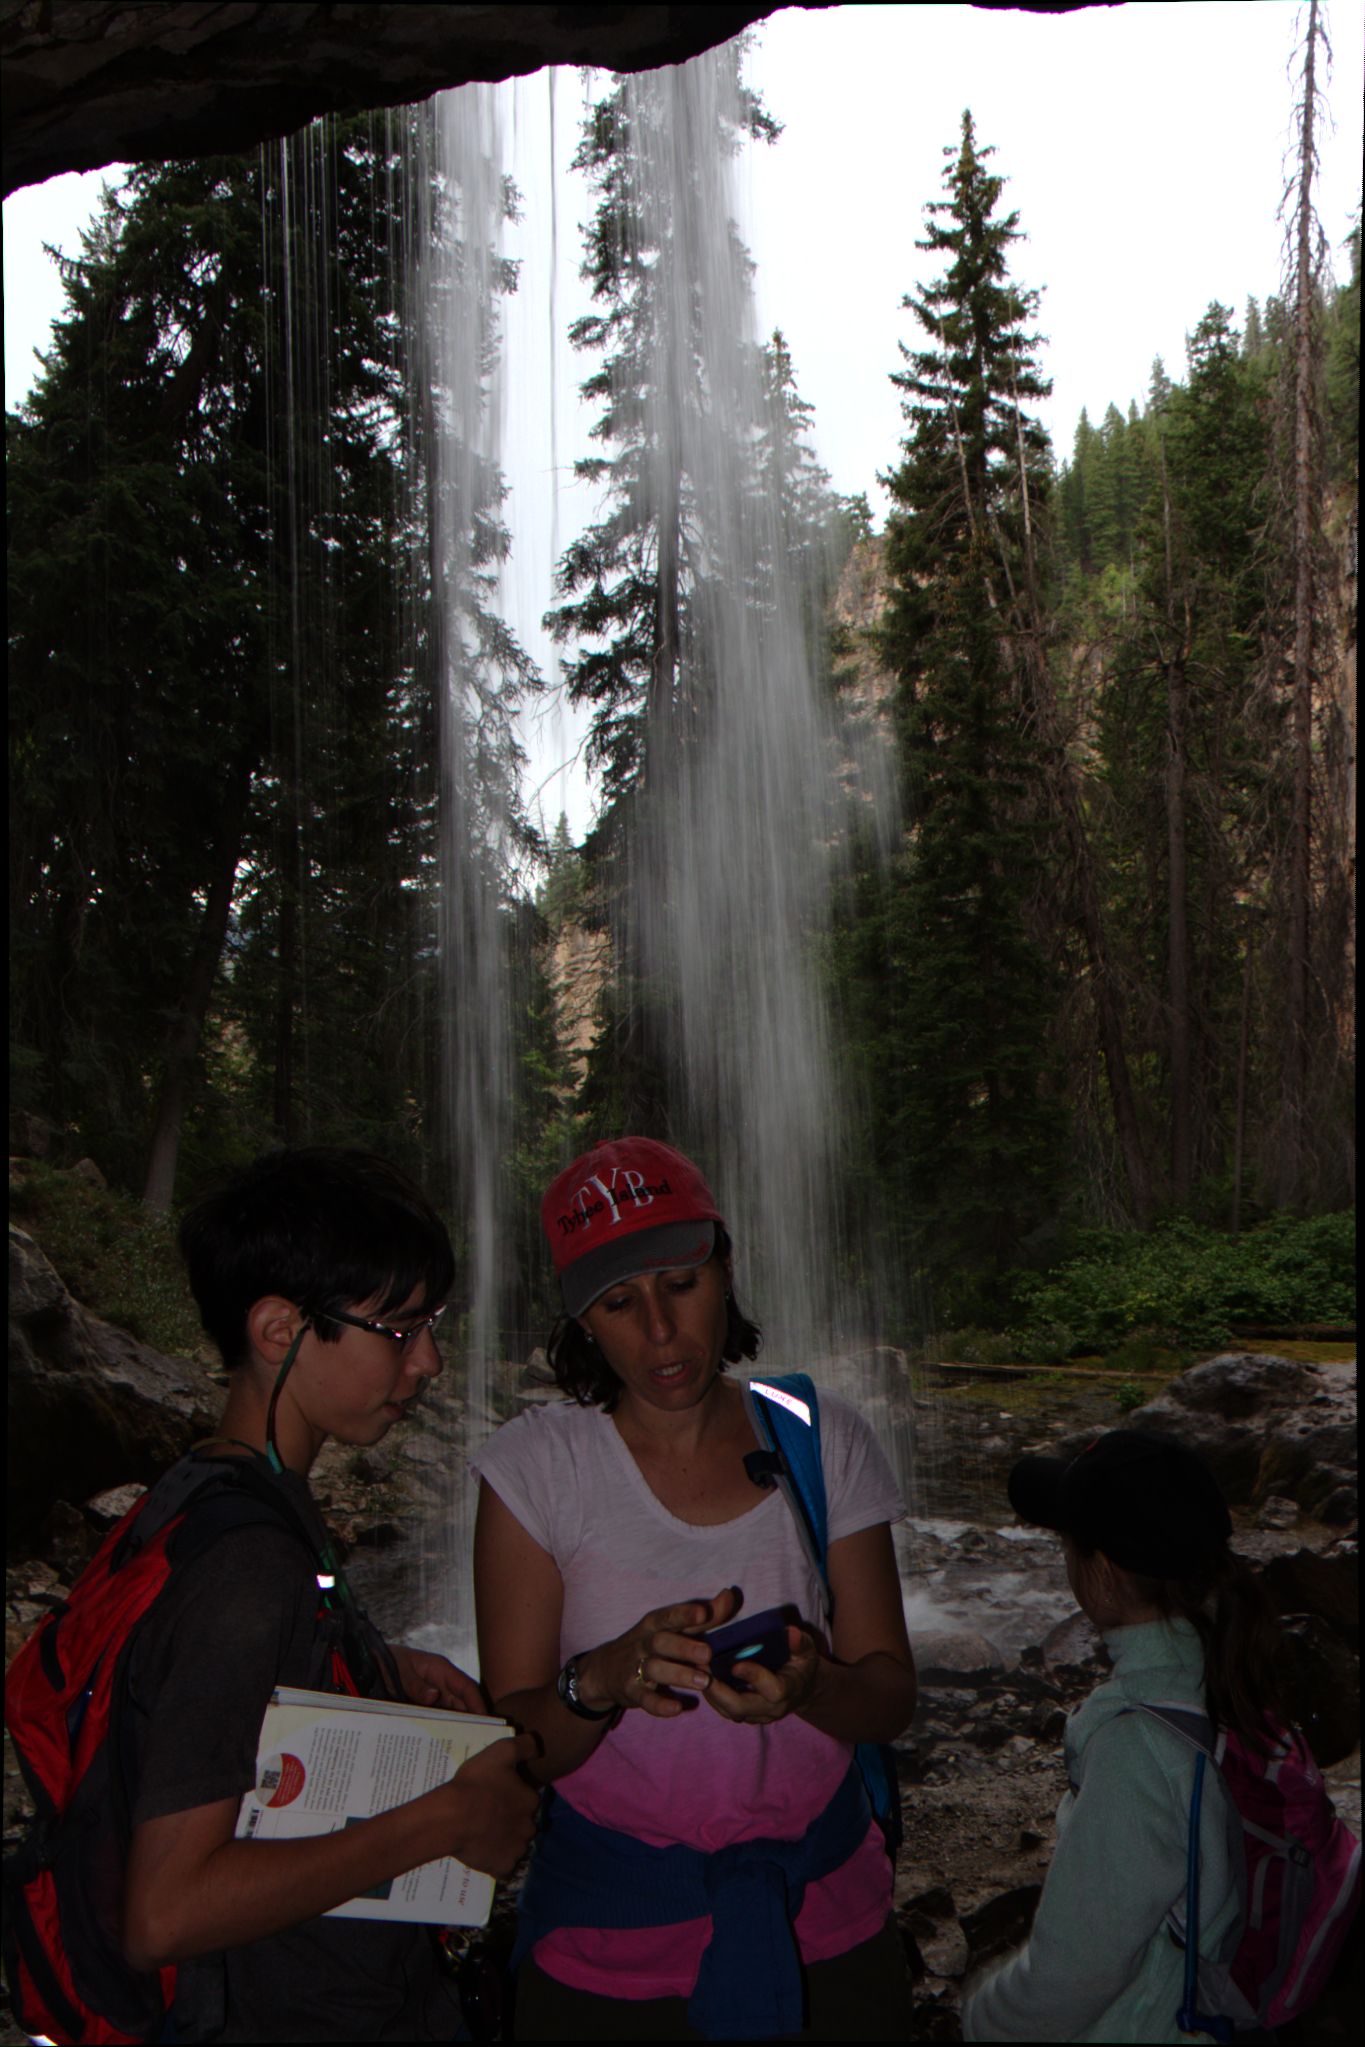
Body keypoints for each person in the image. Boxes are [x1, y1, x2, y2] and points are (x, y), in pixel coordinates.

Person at [472, 1136, 918, 2042]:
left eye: (680, 1283)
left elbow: (888, 1695)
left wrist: (814, 1686)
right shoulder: (534, 1468)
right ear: (582, 1322)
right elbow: (517, 1749)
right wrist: (598, 1681)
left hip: (824, 1921)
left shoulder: (817, 1435)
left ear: (723, 1268)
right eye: (618, 1302)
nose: (660, 1332)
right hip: (608, 1941)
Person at [120, 1146, 539, 2041]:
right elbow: (166, 1911)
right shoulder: (246, 1565)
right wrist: (446, 1820)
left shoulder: (212, 1492)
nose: (427, 1360)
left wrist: (375, 1663)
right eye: (399, 1328)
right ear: (280, 1330)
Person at [962, 1430, 1287, 2044]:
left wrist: (977, 2019)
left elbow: (1068, 1980)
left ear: (1102, 1573)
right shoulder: (1234, 1679)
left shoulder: (1137, 1746)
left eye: (1068, 1542)